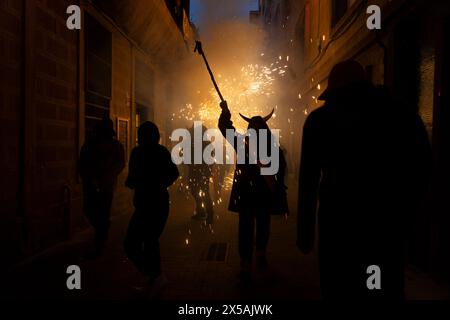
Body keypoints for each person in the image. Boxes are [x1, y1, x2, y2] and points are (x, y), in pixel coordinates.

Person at [296, 60, 431, 299]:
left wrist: (305, 235)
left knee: (339, 288)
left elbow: (308, 182)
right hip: (385, 231)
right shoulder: (402, 116)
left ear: (335, 92)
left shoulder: (320, 121)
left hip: (339, 231)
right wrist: (414, 228)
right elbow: (421, 172)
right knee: (381, 289)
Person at [218, 101, 288, 282]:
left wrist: (225, 112)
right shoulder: (272, 146)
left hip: (248, 193)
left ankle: (249, 261)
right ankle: (257, 256)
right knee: (260, 224)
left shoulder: (243, 142)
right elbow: (280, 170)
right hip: (261, 194)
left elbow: (225, 128)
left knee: (247, 227)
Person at [124, 121, 179, 294]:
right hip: (151, 203)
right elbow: (173, 173)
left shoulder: (146, 152)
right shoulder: (148, 152)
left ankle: (155, 277)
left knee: (142, 242)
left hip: (154, 204)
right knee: (142, 242)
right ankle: (154, 276)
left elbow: (173, 173)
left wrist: (155, 184)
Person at [79, 117, 125, 256]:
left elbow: (120, 163)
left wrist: (109, 175)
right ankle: (102, 232)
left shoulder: (116, 146)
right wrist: (90, 179)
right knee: (89, 210)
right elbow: (83, 164)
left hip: (107, 186)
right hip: (91, 185)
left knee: (103, 213)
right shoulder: (89, 145)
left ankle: (100, 239)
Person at [186, 124, 214, 225]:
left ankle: (209, 215)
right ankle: (201, 212)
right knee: (195, 191)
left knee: (204, 193)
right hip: (196, 171)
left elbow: (211, 158)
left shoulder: (205, 143)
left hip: (201, 172)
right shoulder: (193, 142)